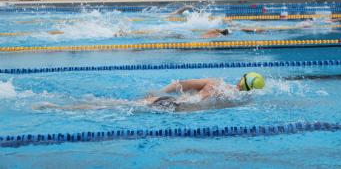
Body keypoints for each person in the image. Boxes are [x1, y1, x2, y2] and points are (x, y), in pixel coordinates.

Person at [34, 73, 265, 112]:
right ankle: (59, 107)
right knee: (112, 107)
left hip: (171, 101)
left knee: (112, 104)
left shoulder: (215, 82)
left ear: (241, 79)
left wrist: (158, 91)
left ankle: (59, 106)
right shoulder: (234, 101)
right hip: (177, 109)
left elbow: (180, 82)